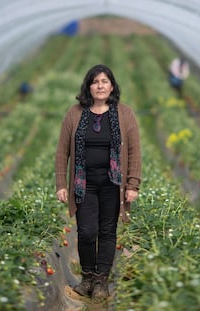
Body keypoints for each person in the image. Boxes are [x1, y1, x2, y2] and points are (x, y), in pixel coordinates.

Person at [55, 64, 142, 302]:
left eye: (105, 81)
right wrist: (61, 184)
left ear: (112, 86)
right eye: (95, 82)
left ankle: (101, 281)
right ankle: (87, 278)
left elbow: (134, 151)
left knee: (107, 232)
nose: (100, 86)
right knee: (86, 232)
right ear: (88, 87)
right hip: (84, 184)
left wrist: (132, 185)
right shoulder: (74, 113)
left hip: (113, 185)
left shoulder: (125, 114)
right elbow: (62, 151)